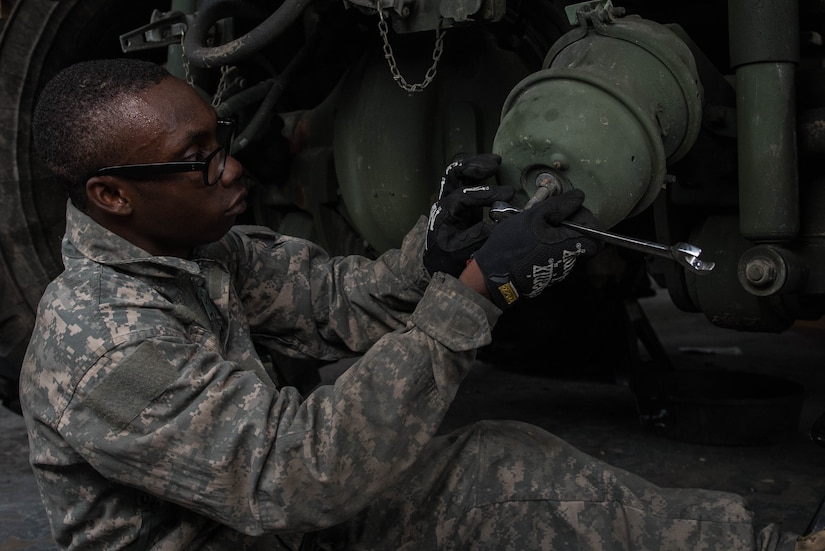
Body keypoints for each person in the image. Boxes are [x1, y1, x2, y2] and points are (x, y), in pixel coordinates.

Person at [19, 57, 821, 551]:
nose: (232, 171)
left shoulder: (192, 253)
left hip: (269, 531)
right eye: (198, 163)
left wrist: (436, 249)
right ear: (111, 195)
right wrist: (475, 293)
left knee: (494, 463)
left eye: (220, 142)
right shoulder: (101, 342)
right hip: (268, 517)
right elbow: (296, 474)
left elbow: (334, 299)